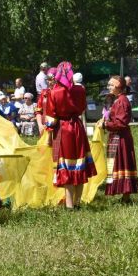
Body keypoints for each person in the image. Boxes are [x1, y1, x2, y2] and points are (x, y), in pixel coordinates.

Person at [46, 61, 97, 210]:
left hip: (64, 129)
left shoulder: (54, 92)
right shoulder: (80, 90)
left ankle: (69, 205)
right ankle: (77, 202)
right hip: (78, 127)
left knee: (67, 166)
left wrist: (49, 135)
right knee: (79, 163)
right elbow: (82, 108)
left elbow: (51, 118)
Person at [102, 75, 138, 203]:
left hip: (121, 137)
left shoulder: (122, 101)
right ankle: (124, 195)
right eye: (109, 85)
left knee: (123, 162)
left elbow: (121, 123)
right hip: (116, 136)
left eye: (111, 85)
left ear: (119, 87)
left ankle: (126, 195)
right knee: (117, 163)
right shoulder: (117, 99)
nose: (109, 87)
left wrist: (106, 124)